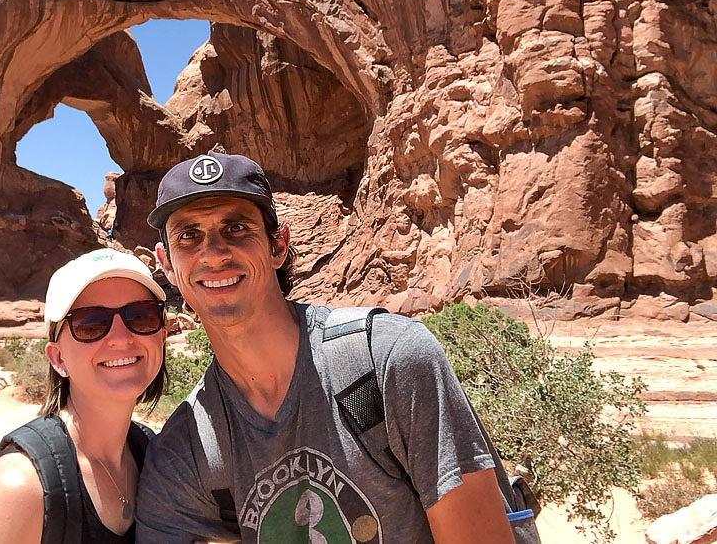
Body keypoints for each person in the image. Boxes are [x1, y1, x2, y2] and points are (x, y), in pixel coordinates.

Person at [134, 151, 516, 543]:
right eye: (188, 235)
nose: (212, 253)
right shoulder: (186, 449)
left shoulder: (389, 360)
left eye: (236, 228)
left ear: (278, 246)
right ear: (166, 263)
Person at [0, 248, 168, 543]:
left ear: (162, 336)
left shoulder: (155, 457)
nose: (121, 338)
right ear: (57, 359)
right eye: (91, 323)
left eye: (141, 316)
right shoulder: (21, 488)